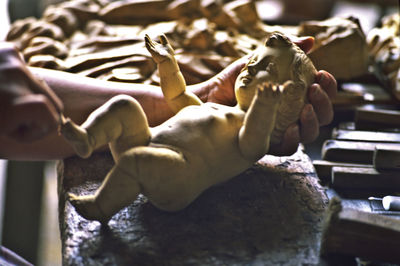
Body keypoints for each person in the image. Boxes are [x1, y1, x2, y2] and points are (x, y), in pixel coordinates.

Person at [0, 36, 336, 160]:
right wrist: (167, 64)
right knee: (121, 109)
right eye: (253, 60)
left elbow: (249, 147)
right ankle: (87, 138)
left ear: (288, 94)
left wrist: (210, 95)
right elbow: (176, 95)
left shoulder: (235, 128)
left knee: (132, 135)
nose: (250, 68)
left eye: (267, 69)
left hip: (169, 169)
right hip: (151, 150)